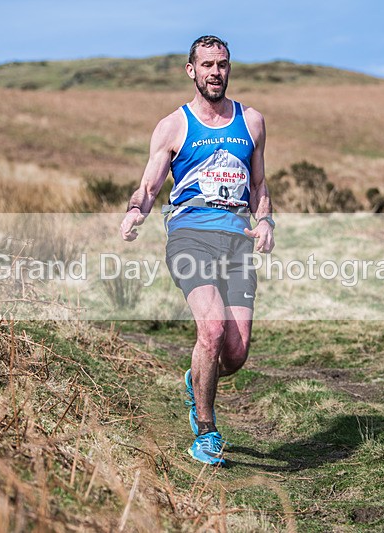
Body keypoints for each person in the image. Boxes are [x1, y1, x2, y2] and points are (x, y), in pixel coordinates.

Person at [120, 35, 275, 466]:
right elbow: (150, 185)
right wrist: (136, 212)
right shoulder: (174, 125)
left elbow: (260, 184)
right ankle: (205, 431)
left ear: (229, 68)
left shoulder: (253, 121)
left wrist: (264, 220)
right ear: (192, 70)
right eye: (206, 64)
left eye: (222, 64)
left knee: (235, 352)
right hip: (190, 236)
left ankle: (197, 376)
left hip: (237, 240)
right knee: (210, 330)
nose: (215, 72)